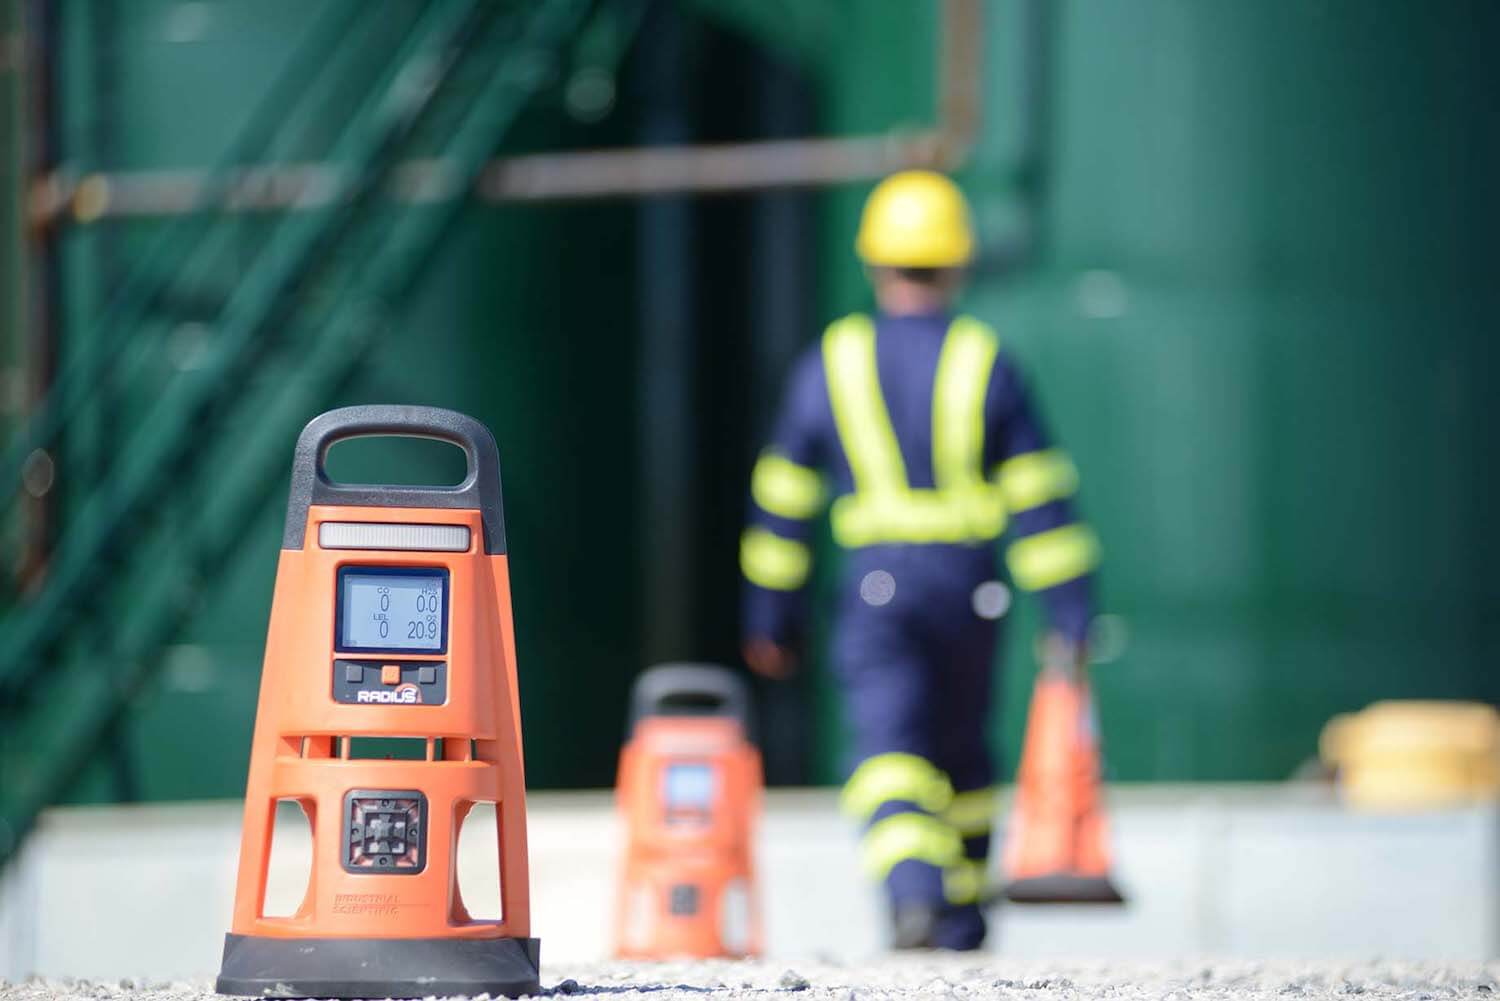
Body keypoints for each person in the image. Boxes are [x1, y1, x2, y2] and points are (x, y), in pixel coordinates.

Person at [739, 170, 1100, 950]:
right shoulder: (984, 358)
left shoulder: (831, 361)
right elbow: (1041, 499)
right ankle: (962, 919)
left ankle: (913, 896)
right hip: (972, 588)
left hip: (878, 585)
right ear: (958, 262)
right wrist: (1070, 612)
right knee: (963, 756)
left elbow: (782, 499)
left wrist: (772, 615)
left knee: (885, 751)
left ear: (875, 263)